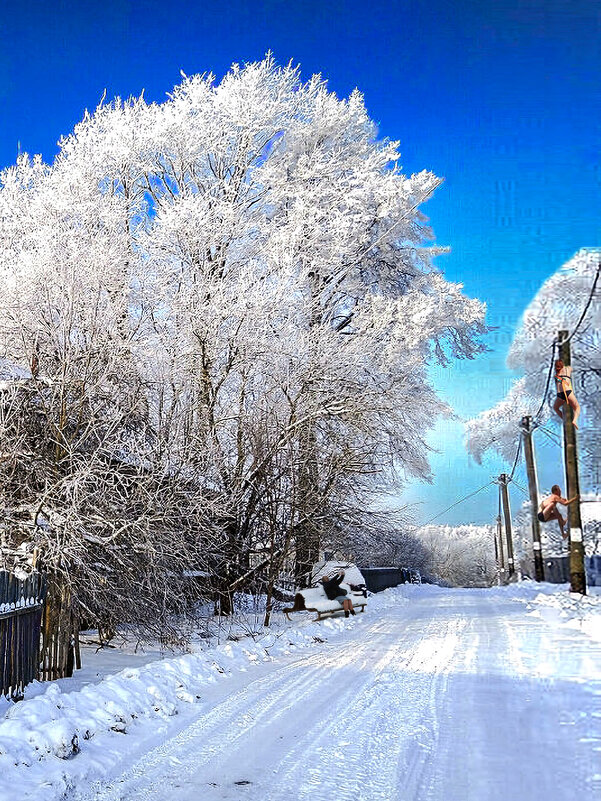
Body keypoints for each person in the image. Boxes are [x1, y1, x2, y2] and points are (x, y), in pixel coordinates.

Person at [553, 359, 581, 429]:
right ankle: (574, 420)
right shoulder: (567, 369)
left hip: (560, 394)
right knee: (577, 407)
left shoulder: (556, 375)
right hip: (568, 392)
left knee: (556, 408)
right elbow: (571, 368)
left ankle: (564, 419)